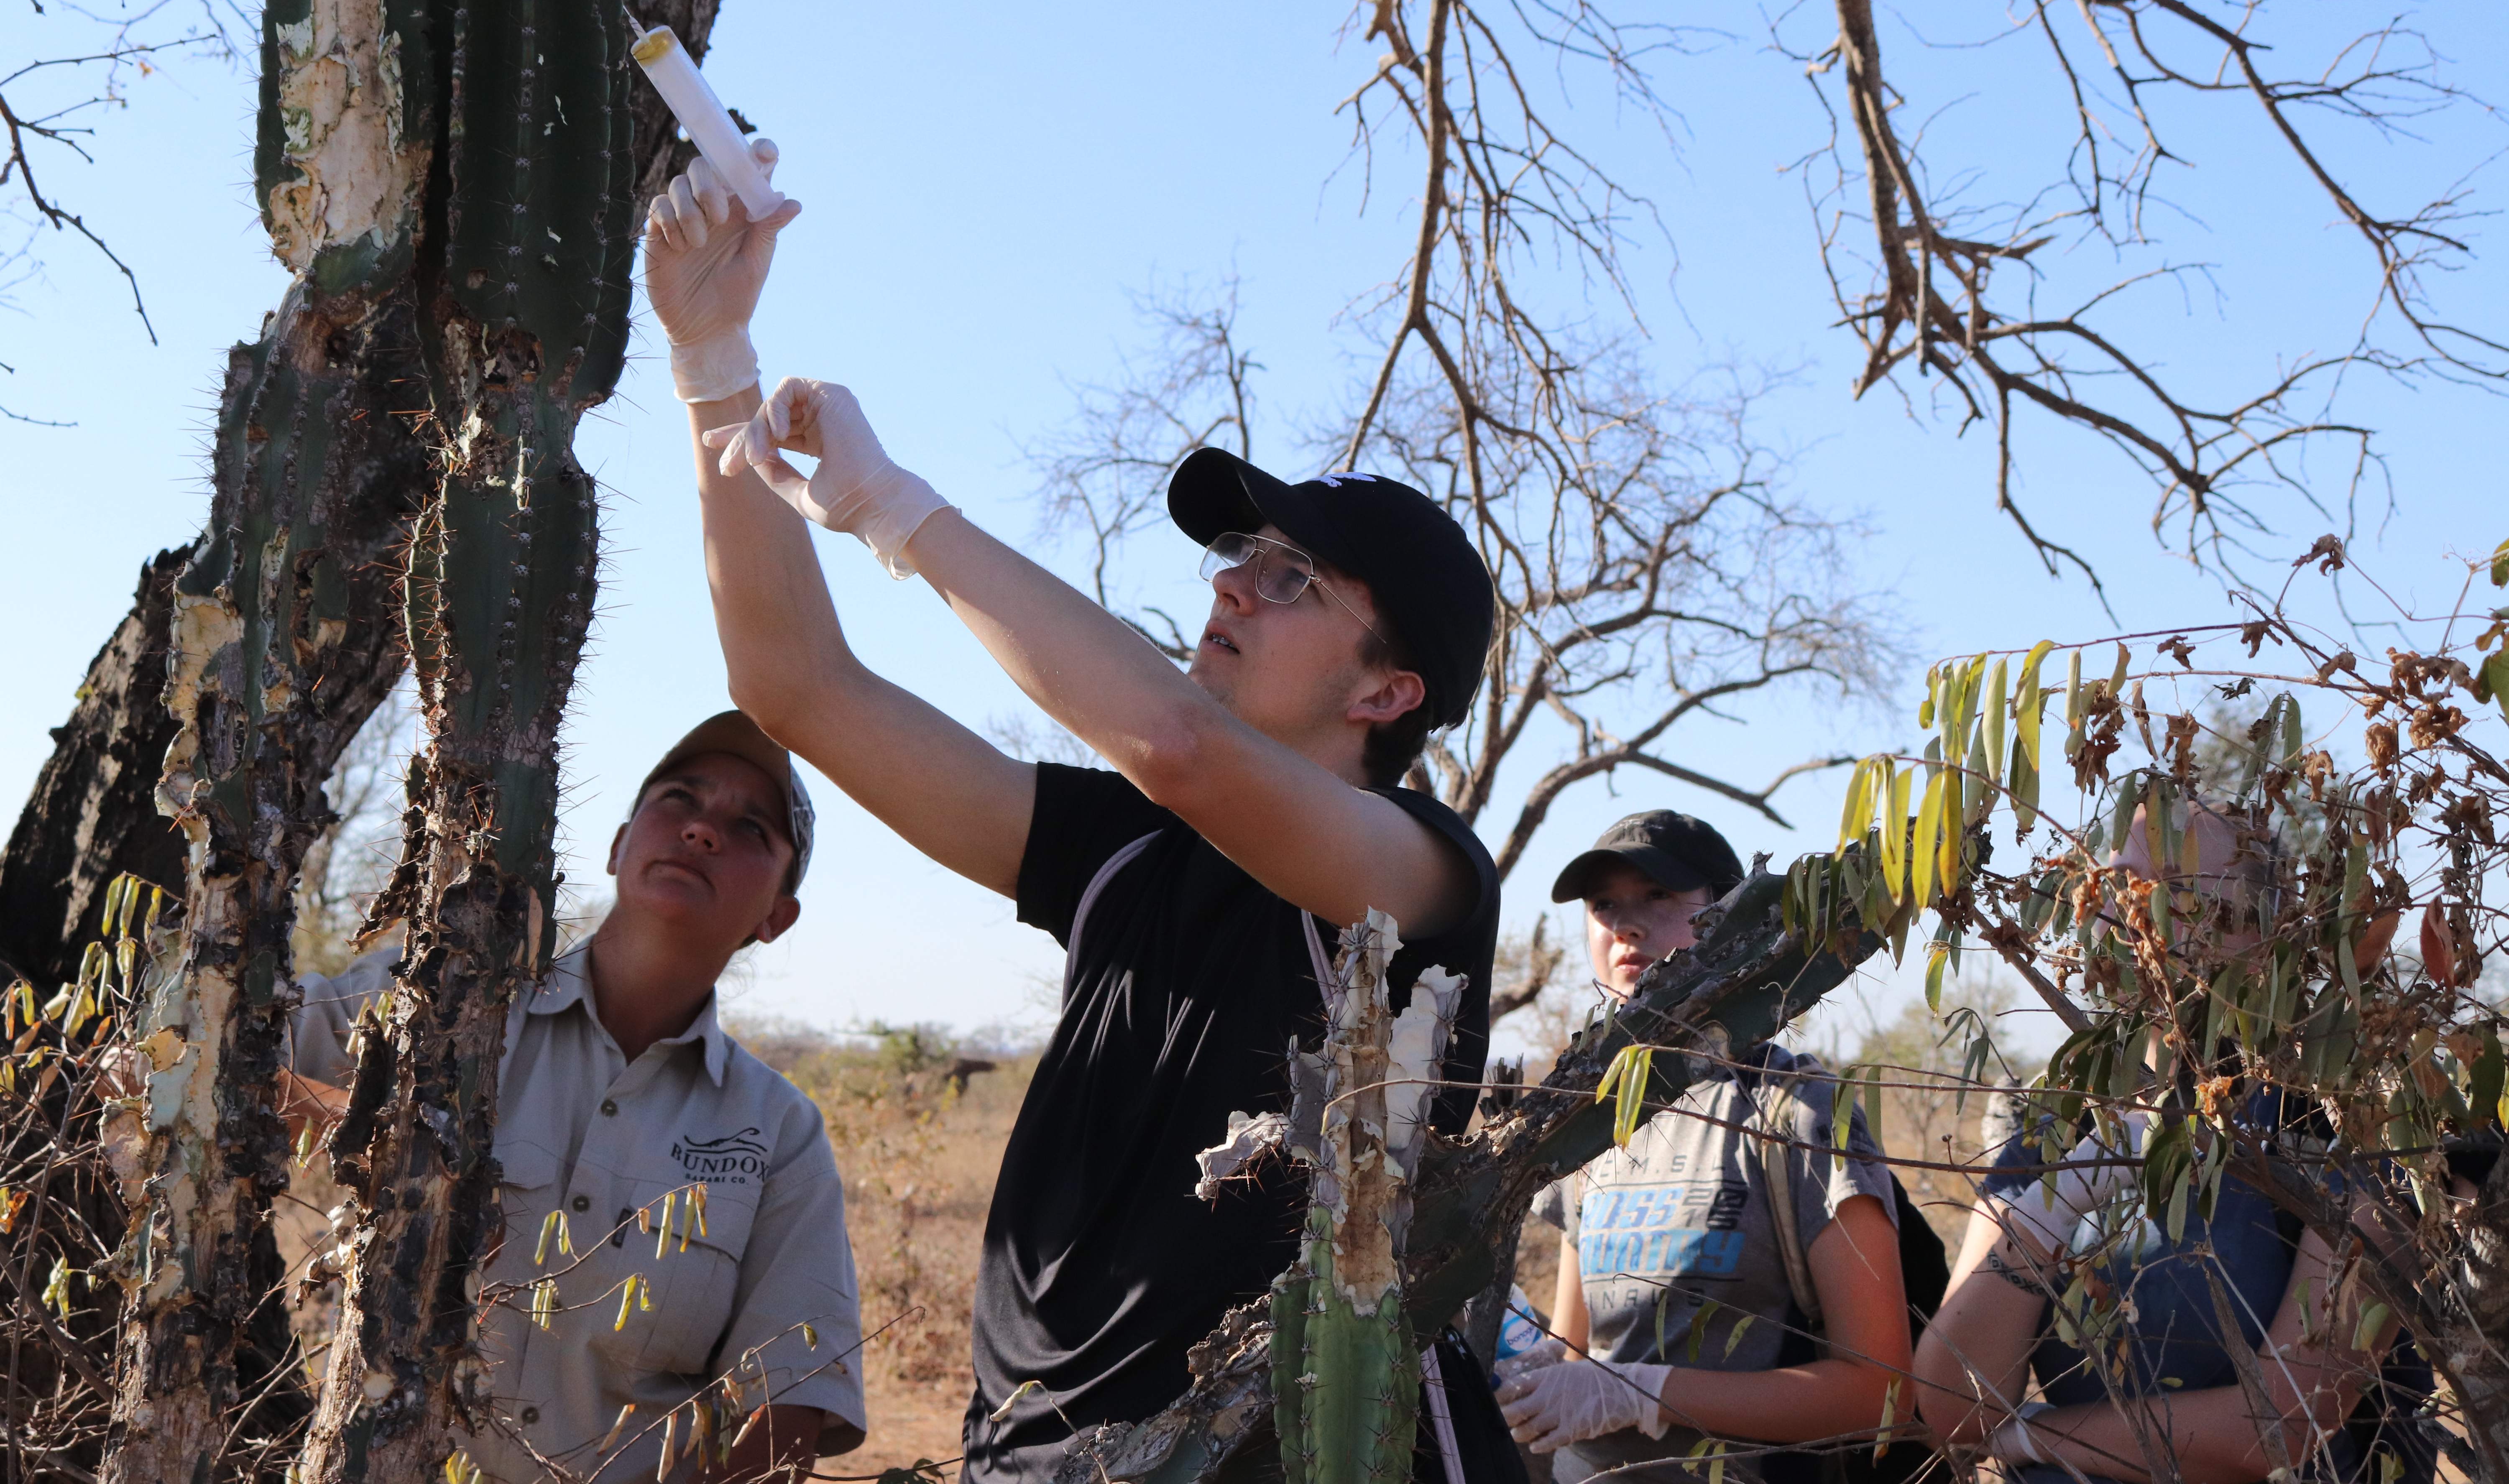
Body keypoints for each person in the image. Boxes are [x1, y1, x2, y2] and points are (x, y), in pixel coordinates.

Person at [641, 150, 1505, 1484]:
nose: (1229, 593)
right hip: (1040, 1461)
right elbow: (796, 685)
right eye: (1235, 563)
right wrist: (714, 360)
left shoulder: (1426, 886)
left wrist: (892, 508)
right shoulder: (1124, 855)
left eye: (1289, 580)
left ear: (1390, 688)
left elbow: (1178, 745)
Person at [288, 713, 866, 1484]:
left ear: (775, 917)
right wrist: (374, 1130)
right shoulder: (446, 999)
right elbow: (218, 1056)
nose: (700, 831)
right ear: (620, 845)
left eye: (750, 827)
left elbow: (785, 1412)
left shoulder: (779, 1131)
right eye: (678, 800)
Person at [1914, 802, 2427, 1483]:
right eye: (2119, 883)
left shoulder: (2342, 1120)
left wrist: (2031, 1437)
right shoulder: (2061, 1122)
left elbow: (2285, 1425)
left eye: (2175, 893)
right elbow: (1953, 1406)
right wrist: (2047, 1211)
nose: (2131, 914)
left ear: (2266, 933)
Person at [1500, 811, 1915, 1484]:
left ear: (1727, 918)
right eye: (1605, 904)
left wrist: (1643, 1392)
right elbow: (1578, 1355)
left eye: (1659, 896)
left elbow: (1880, 1397)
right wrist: (1532, 1372)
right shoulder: (1590, 1119)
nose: (1624, 925)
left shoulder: (1792, 1108)